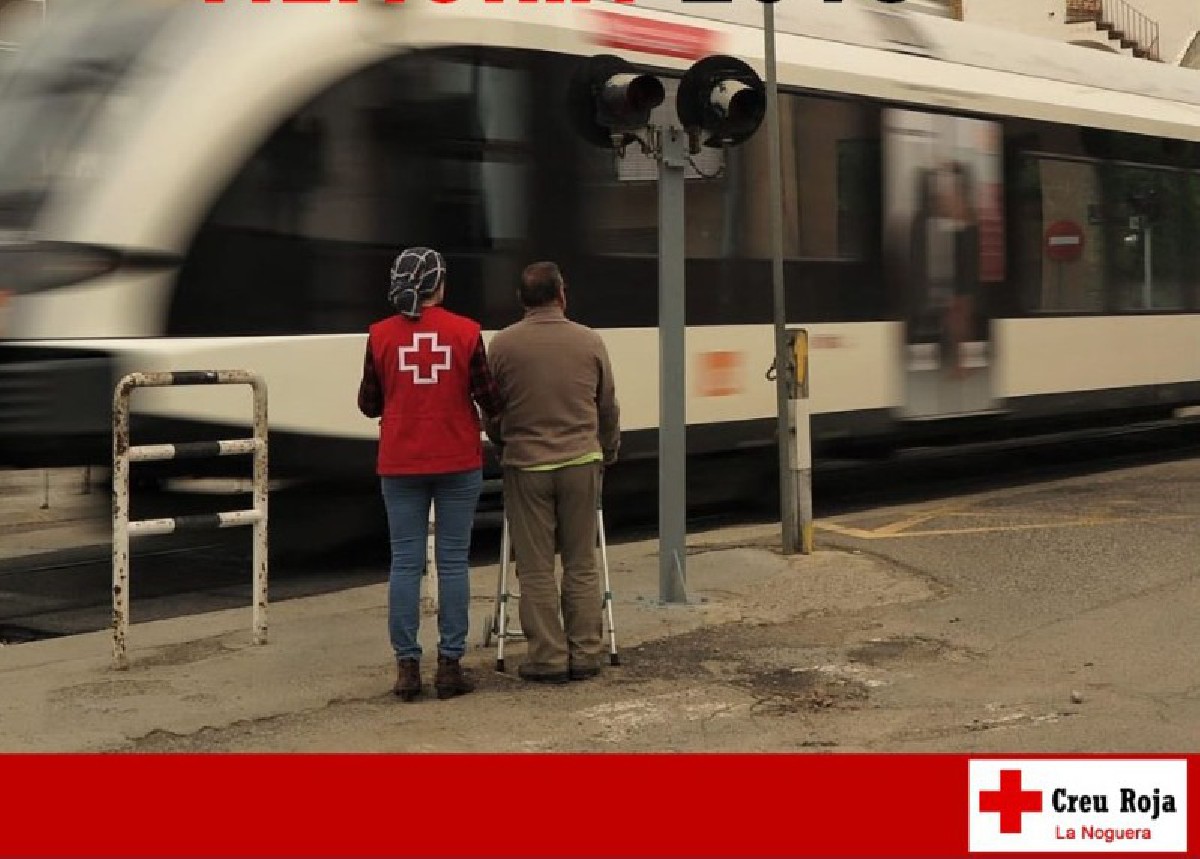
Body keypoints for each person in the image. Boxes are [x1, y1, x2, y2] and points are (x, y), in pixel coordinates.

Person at [357, 246, 503, 701]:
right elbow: (490, 398)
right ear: (439, 284)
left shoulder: (379, 335)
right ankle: (449, 665)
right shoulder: (467, 332)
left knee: (405, 562)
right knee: (453, 561)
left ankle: (406, 668)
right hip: (457, 460)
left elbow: (368, 405)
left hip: (400, 462)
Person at [487, 261, 620, 684]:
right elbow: (606, 405)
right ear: (562, 294)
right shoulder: (590, 341)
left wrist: (502, 444)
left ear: (521, 299)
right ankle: (586, 653)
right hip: (581, 461)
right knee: (581, 561)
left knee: (536, 566)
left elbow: (492, 410)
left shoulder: (502, 346)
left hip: (526, 465)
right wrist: (608, 450)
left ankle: (547, 657)